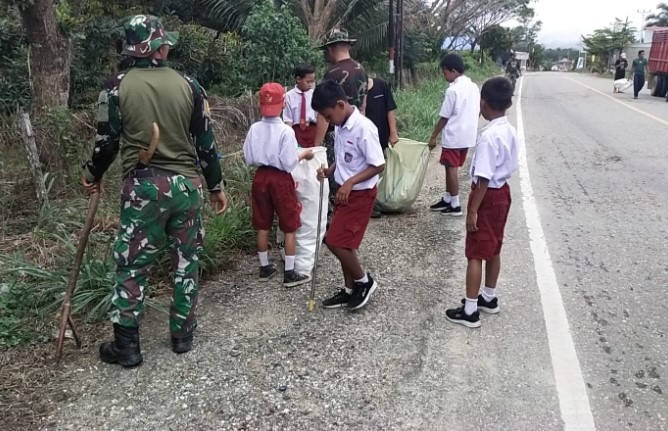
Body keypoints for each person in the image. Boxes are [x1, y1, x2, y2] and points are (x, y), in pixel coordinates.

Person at [81, 14, 228, 367]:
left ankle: (127, 347)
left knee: (132, 265)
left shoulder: (115, 87)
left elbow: (107, 142)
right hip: (187, 187)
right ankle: (182, 335)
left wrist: (91, 173)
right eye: (165, 43)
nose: (168, 47)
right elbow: (206, 143)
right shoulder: (189, 84)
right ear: (157, 48)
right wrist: (216, 185)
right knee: (186, 261)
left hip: (143, 188)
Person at [445, 76, 519, 328]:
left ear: (484, 103)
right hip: (503, 193)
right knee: (494, 246)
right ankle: (489, 296)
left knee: (475, 251)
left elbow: (484, 179)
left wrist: (472, 211)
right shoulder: (509, 130)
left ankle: (470, 310)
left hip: (487, 196)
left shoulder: (488, 137)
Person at [312, 80, 385, 310]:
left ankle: (364, 282)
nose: (327, 121)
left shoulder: (364, 128)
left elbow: (379, 164)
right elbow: (345, 157)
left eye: (327, 116)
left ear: (340, 105)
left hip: (360, 195)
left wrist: (351, 182)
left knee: (334, 241)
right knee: (344, 241)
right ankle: (349, 289)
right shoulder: (340, 125)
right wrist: (330, 170)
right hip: (345, 193)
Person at [244, 83, 314, 288]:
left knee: (262, 223)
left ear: (260, 105)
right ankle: (290, 273)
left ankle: (265, 267)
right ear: (283, 103)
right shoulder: (285, 131)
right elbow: (289, 162)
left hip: (260, 178)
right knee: (289, 225)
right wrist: (305, 153)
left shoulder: (254, 129)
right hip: (281, 179)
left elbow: (248, 158)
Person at [313, 28, 369, 206]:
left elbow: (324, 113)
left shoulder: (332, 73)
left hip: (336, 135)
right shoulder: (361, 69)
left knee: (334, 182)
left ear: (330, 49)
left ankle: (333, 224)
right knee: (352, 179)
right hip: (357, 131)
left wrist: (316, 146)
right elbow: (363, 106)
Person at [428, 53, 480, 217]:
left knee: (451, 168)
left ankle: (455, 204)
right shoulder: (473, 87)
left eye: (445, 72)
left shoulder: (453, 90)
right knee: (449, 166)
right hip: (467, 135)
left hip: (454, 135)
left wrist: (433, 136)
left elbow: (444, 116)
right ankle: (448, 197)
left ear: (453, 71)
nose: (444, 76)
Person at [365, 76, 399, 218]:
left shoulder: (381, 85)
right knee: (365, 170)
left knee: (377, 169)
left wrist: (393, 132)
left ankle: (374, 201)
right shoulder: (354, 91)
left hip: (380, 136)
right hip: (363, 139)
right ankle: (368, 204)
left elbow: (389, 109)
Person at [283, 64, 318, 148]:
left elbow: (320, 116)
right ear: (298, 79)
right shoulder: (289, 96)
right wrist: (289, 139)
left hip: (312, 129)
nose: (310, 84)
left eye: (312, 82)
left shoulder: (315, 95)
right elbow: (288, 120)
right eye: (308, 81)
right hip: (297, 131)